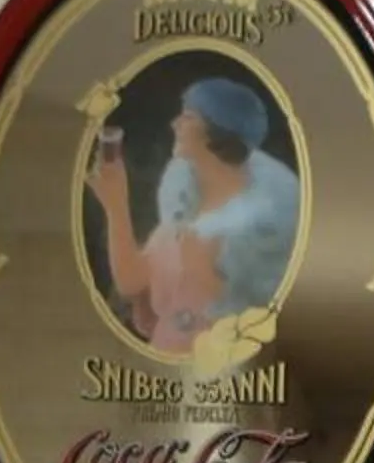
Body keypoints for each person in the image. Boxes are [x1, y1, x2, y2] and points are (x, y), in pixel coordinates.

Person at [84, 75, 301, 352]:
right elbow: (131, 280)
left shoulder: (246, 229)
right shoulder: (185, 205)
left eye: (188, 118)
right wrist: (116, 205)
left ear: (217, 134)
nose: (175, 124)